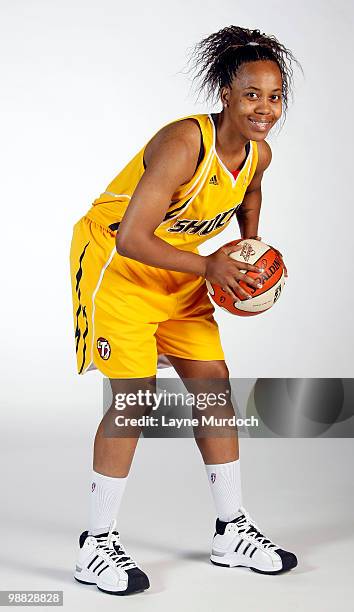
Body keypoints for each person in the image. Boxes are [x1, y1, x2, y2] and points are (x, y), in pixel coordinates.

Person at [70, 25, 300, 596]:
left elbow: (250, 192)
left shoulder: (258, 153)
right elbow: (132, 239)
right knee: (136, 398)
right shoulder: (183, 143)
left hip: (179, 269)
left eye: (274, 97)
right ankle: (94, 544)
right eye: (251, 94)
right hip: (118, 266)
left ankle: (231, 531)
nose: (264, 108)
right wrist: (211, 269)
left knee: (213, 385)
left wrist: (249, 255)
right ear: (225, 91)